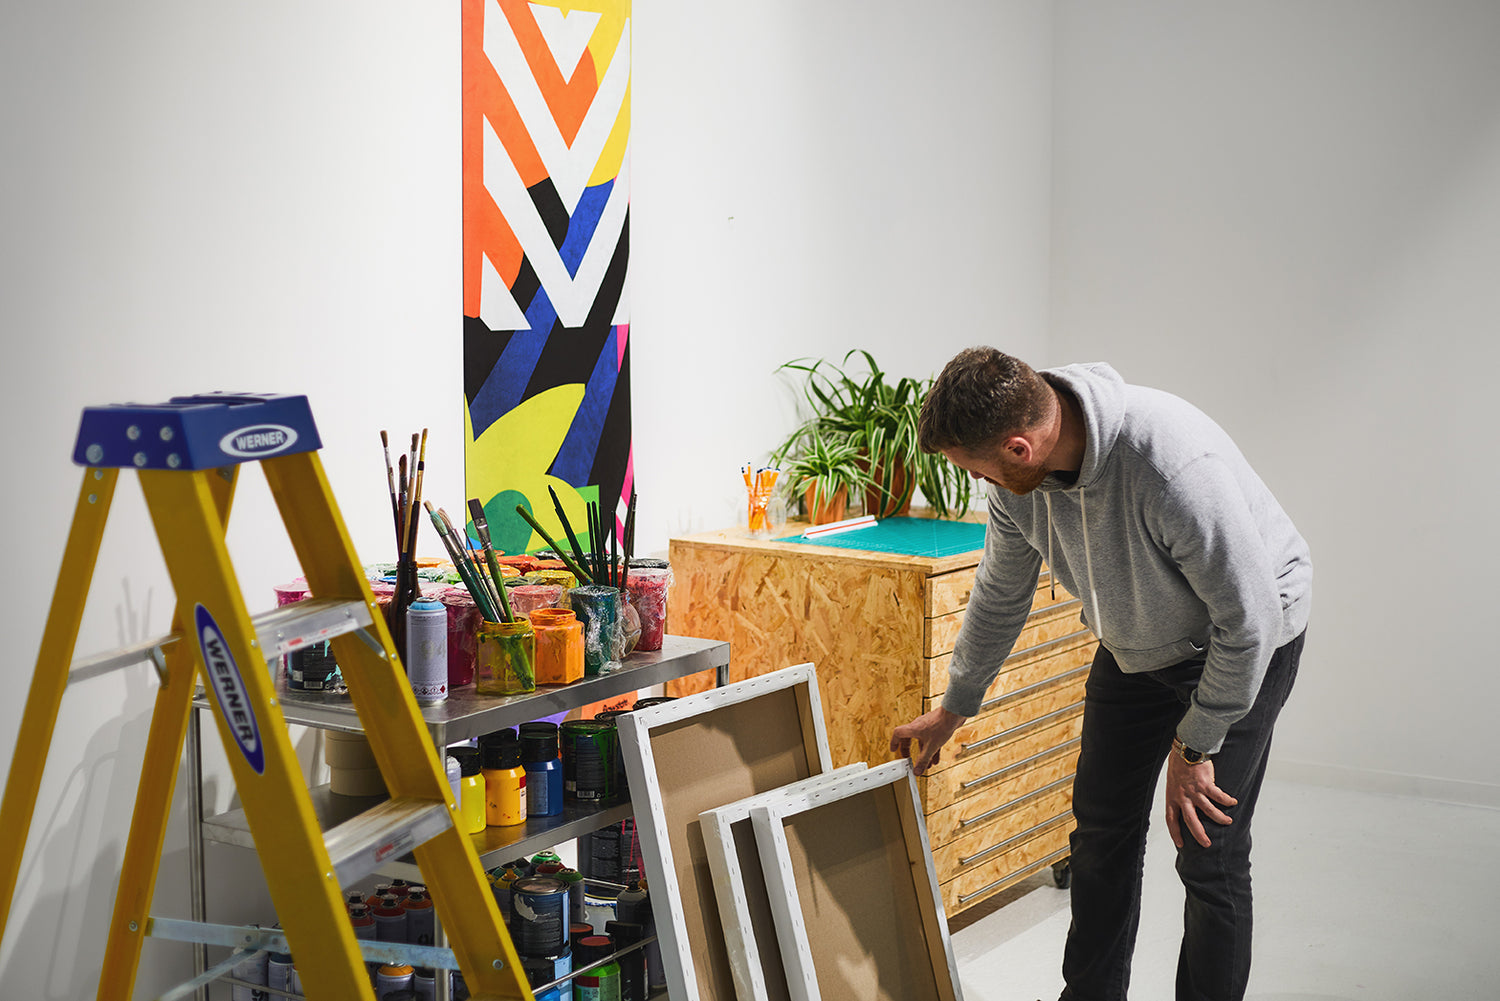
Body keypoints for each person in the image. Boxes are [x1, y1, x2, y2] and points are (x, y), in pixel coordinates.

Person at [890, 348, 1311, 1001]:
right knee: (1100, 833)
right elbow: (1001, 594)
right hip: (1136, 645)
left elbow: (1248, 619)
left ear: (1020, 448)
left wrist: (1196, 743)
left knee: (1208, 851)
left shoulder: (1170, 467)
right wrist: (955, 705)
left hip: (1247, 639)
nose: (979, 481)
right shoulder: (1018, 486)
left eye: (974, 468)